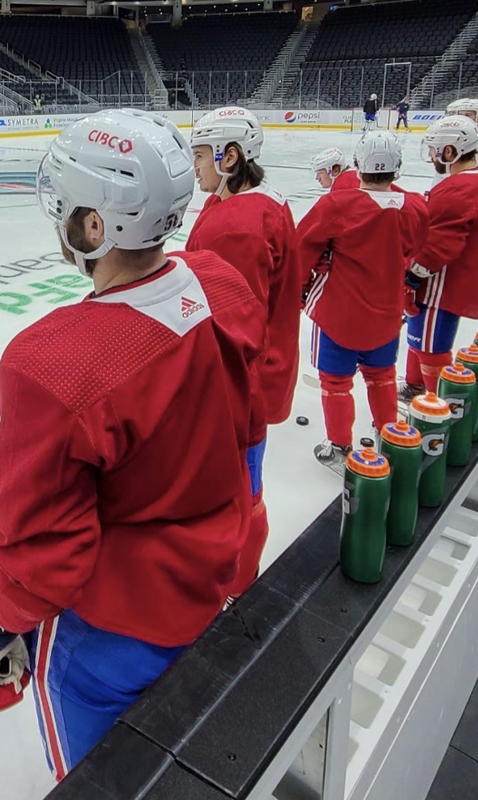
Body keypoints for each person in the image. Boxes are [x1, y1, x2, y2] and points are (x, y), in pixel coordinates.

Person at [0, 109, 266, 781]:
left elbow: (44, 561)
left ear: (96, 226)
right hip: (210, 585)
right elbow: (245, 429)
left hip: (109, 636)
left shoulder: (53, 365)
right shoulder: (222, 282)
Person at [189, 106, 300, 597]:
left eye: (200, 155)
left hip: (242, 388)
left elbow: (232, 325)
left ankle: (237, 587)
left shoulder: (237, 223)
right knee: (244, 486)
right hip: (262, 375)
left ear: (228, 156)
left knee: (241, 493)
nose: (194, 166)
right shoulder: (260, 201)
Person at [296, 131, 427, 472]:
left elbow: (303, 245)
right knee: (382, 375)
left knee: (336, 382)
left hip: (341, 313)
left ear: (356, 166)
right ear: (397, 168)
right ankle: (391, 438)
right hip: (386, 312)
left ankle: (340, 447)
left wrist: (300, 285)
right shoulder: (413, 206)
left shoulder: (338, 205)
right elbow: (414, 245)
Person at [401, 116, 478, 398]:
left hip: (441, 284)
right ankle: (415, 385)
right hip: (456, 277)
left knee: (431, 346)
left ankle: (437, 403)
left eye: (435, 149)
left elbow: (441, 242)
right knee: (419, 335)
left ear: (450, 150)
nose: (432, 155)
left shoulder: (461, 187)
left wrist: (413, 275)